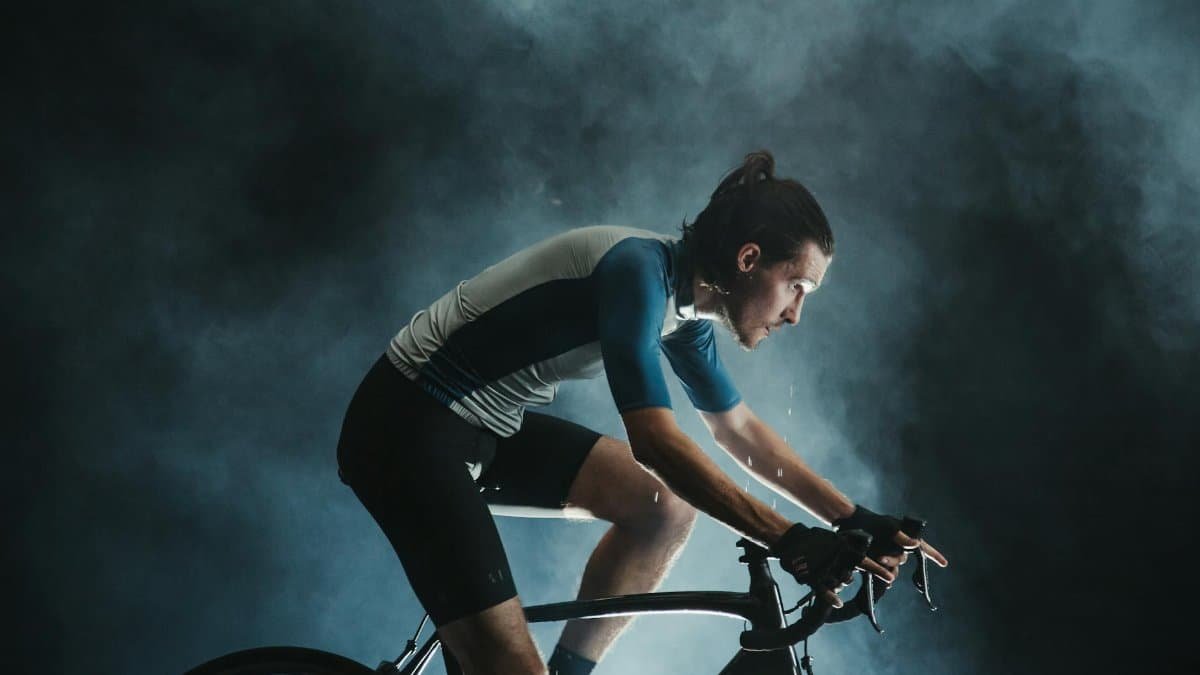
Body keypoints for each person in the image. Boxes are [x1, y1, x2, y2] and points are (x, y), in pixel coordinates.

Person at [335, 150, 949, 675]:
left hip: (479, 429)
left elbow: (741, 433)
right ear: (748, 259)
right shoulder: (638, 273)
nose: (795, 313)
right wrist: (789, 539)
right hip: (406, 427)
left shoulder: (688, 311)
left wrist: (854, 518)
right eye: (797, 287)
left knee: (662, 512)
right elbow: (655, 443)